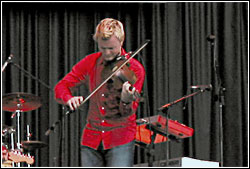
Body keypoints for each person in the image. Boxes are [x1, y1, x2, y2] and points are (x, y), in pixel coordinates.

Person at [54, 18, 145, 167]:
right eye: (103, 48)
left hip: (120, 138)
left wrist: (126, 100)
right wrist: (68, 98)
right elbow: (61, 86)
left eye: (112, 48)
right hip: (92, 137)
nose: (107, 54)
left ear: (121, 42)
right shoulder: (91, 62)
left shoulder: (135, 69)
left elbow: (128, 111)